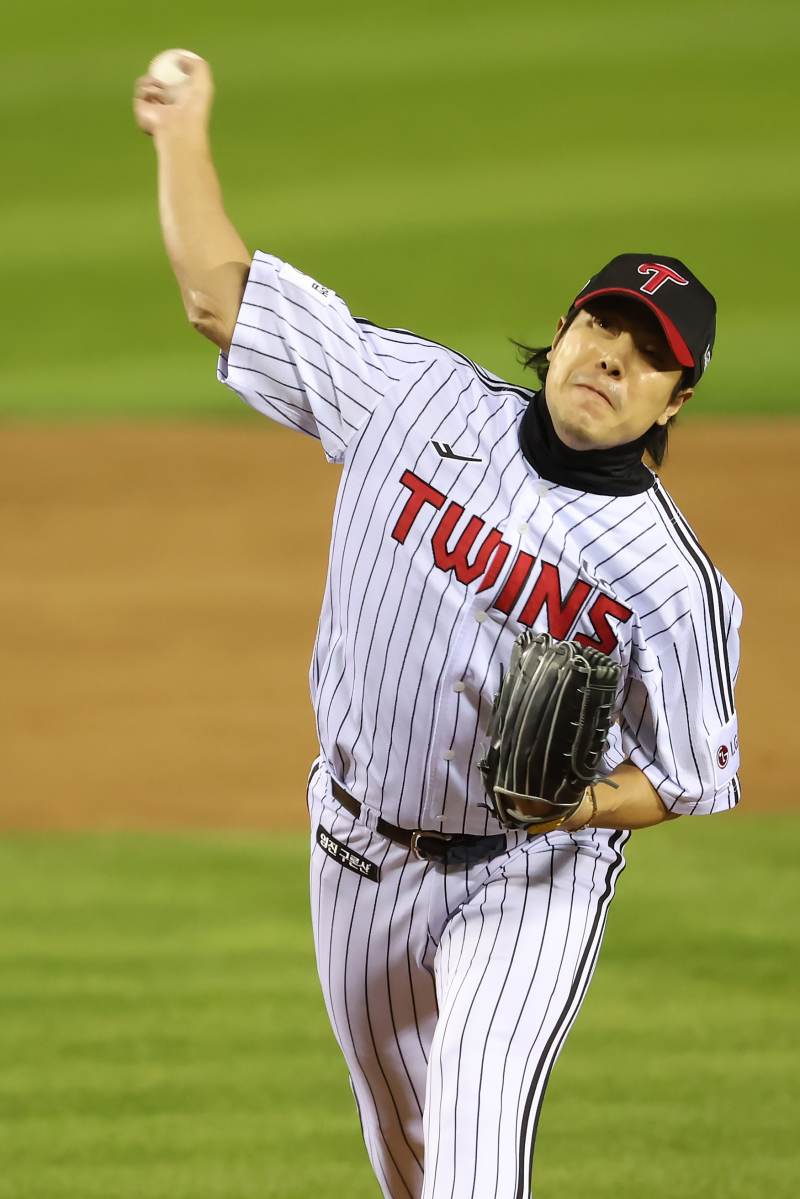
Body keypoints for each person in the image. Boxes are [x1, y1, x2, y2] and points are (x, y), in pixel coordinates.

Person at [134, 54, 742, 1199]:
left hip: (530, 873)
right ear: (563, 328)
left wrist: (576, 805)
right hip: (355, 847)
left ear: (675, 398)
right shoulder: (409, 395)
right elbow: (221, 297)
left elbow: (690, 774)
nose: (613, 357)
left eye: (649, 353)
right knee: (410, 1159)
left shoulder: (672, 583)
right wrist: (180, 128)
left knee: (471, 1153)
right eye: (603, 325)